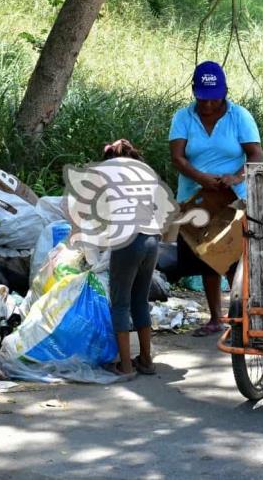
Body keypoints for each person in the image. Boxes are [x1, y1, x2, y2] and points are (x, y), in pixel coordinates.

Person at [169, 61, 263, 337]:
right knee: (206, 258)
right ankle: (214, 318)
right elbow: (177, 157)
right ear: (194, 93)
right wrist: (201, 178)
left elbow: (255, 154)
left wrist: (235, 177)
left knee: (233, 260)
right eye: (202, 99)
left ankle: (242, 317)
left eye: (214, 99)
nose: (208, 105)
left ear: (224, 92)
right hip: (195, 198)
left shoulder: (240, 116)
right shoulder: (183, 117)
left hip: (232, 198)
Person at [102, 139, 159, 376]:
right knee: (140, 301)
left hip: (128, 241)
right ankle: (146, 359)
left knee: (120, 303)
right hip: (152, 240)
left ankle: (125, 366)